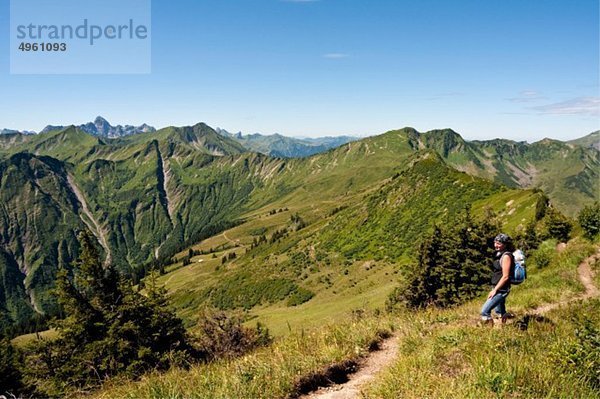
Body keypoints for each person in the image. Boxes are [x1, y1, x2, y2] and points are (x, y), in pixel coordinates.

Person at [480, 233, 514, 325]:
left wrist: (495, 290)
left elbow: (505, 276)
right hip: (497, 287)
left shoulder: (506, 256)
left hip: (501, 290)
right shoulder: (499, 254)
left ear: (505, 244)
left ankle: (489, 332)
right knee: (500, 311)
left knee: (484, 311)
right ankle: (503, 326)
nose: (496, 245)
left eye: (499, 243)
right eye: (495, 242)